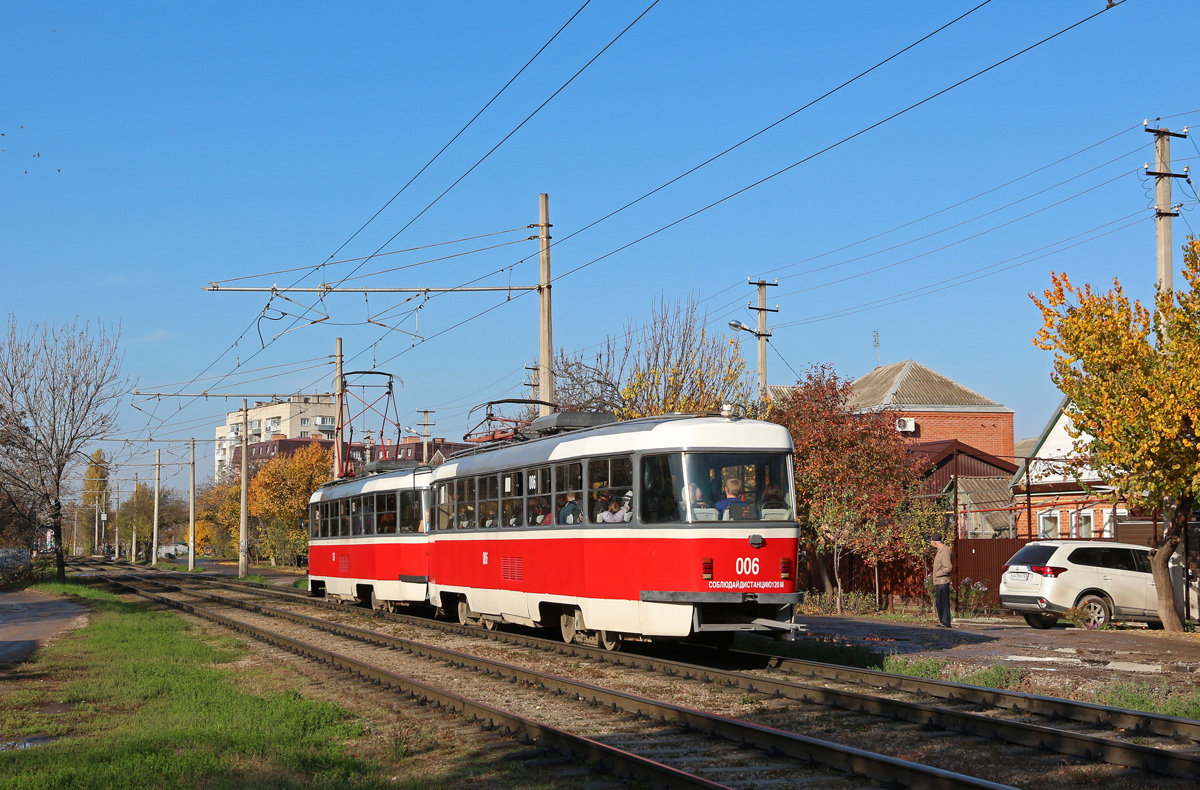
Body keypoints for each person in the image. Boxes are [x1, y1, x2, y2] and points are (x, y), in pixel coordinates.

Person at [931, 532, 953, 628]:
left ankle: (945, 622)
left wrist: (937, 574)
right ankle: (943, 622)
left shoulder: (944, 551)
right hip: (939, 581)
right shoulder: (941, 551)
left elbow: (948, 567)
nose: (931, 544)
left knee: (943, 602)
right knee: (940, 602)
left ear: (935, 542)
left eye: (931, 541)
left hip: (942, 581)